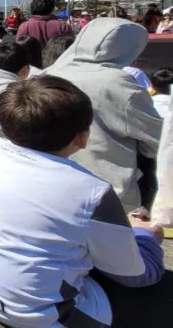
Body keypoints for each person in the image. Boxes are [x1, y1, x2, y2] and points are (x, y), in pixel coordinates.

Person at [0, 76, 165, 328]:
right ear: (82, 137)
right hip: (34, 311)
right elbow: (135, 276)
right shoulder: (92, 192)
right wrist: (145, 237)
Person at [45, 18, 162, 209]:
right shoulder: (117, 82)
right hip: (107, 193)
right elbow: (157, 140)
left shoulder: (47, 73)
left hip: (54, 189)